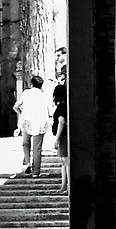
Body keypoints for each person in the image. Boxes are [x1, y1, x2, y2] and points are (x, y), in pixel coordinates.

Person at [13, 71, 51, 178]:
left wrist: (21, 114)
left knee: (25, 143)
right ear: (41, 85)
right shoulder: (44, 95)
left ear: (31, 84)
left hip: (26, 121)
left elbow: (15, 106)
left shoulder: (26, 93)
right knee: (37, 148)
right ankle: (35, 172)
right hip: (40, 122)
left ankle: (28, 163)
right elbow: (49, 111)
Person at [50, 52, 69, 192]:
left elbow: (61, 121)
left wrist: (56, 139)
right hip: (63, 136)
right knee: (63, 162)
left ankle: (66, 186)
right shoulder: (63, 105)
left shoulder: (61, 107)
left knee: (65, 162)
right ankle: (64, 186)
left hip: (63, 136)